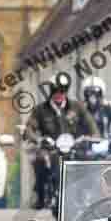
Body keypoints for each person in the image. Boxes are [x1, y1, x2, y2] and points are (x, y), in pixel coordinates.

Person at [25, 73, 98, 209]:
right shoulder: (40, 110)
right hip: (50, 148)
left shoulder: (77, 107)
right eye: (55, 90)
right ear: (50, 91)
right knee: (39, 161)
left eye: (62, 90)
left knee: (90, 160)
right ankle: (40, 196)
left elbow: (91, 125)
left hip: (73, 147)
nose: (59, 94)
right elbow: (30, 128)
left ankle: (88, 196)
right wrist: (38, 139)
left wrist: (92, 136)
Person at [82, 76, 111, 143]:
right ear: (85, 94)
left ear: (101, 94)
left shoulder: (107, 108)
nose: (92, 97)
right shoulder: (81, 109)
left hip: (104, 145)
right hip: (85, 146)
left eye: (96, 93)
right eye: (89, 93)